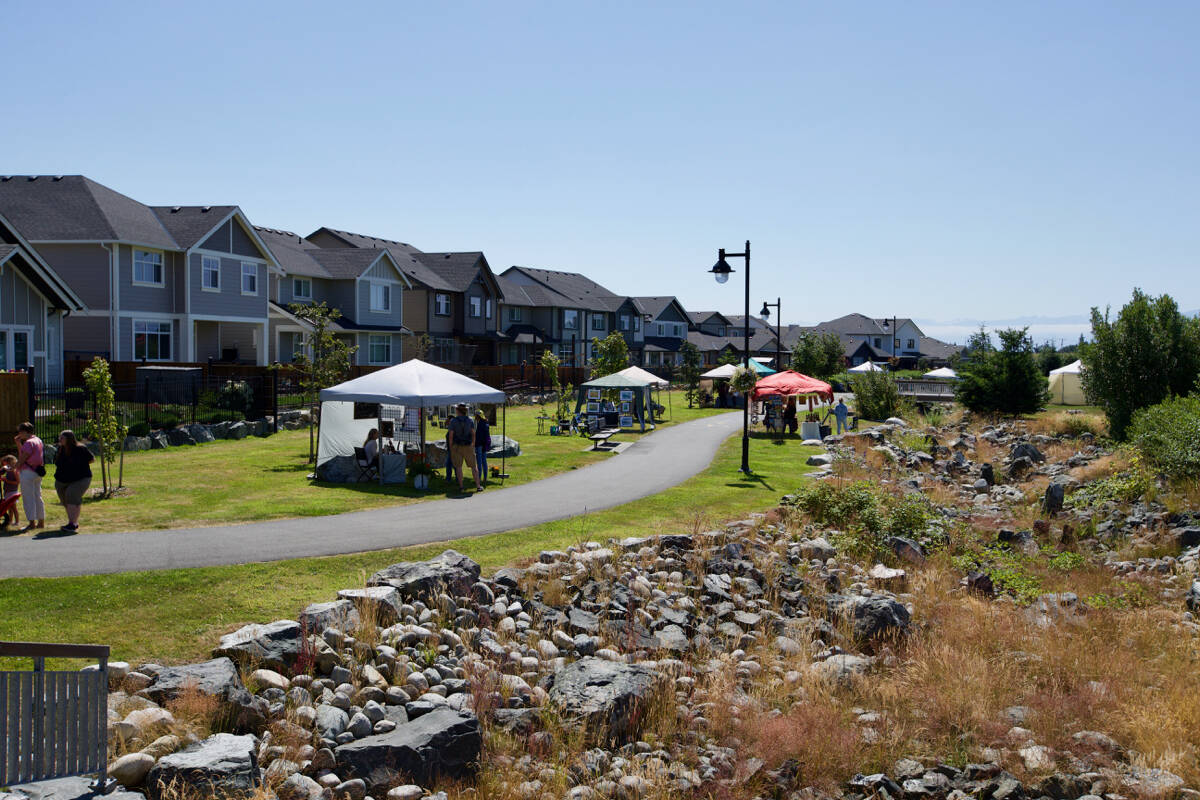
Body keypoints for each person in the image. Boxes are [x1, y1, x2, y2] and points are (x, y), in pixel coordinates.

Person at [53, 430, 94, 533]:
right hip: (62, 480)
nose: (59, 439)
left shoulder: (80, 448)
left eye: (62, 438)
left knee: (71, 495)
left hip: (80, 478)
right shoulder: (60, 448)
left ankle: (72, 524)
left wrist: (79, 466)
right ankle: (72, 522)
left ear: (69, 439)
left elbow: (91, 459)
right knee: (65, 500)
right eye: (59, 437)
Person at [14, 422, 45, 532]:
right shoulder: (38, 440)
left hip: (27, 472)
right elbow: (24, 453)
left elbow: (23, 458)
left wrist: (14, 467)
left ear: (24, 431)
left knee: (28, 498)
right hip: (37, 471)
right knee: (38, 496)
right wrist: (18, 443)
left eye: (20, 431)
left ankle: (32, 523)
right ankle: (41, 522)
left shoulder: (28, 443)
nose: (19, 434)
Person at [446, 403, 482, 492]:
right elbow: (473, 433)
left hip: (457, 446)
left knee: (458, 467)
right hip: (468, 446)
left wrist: (451, 447)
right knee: (474, 467)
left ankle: (461, 487)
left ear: (458, 411)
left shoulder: (453, 421)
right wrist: (473, 444)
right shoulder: (470, 420)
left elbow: (451, 435)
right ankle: (478, 486)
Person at [1, 454, 20, 528]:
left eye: (5, 463)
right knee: (9, 507)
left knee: (14, 507)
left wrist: (7, 480)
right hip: (7, 491)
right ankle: (10, 521)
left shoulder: (14, 471)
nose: (4, 466)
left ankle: (17, 521)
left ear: (10, 462)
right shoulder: (8, 470)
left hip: (12, 491)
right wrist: (4, 479)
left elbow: (17, 482)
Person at [474, 409, 492, 481]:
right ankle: (485, 478)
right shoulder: (485, 422)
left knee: (479, 462)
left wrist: (476, 444)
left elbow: (480, 436)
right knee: (484, 461)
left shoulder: (480, 424)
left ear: (478, 416)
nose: (474, 416)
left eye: (475, 415)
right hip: (484, 445)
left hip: (479, 445)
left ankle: (479, 478)